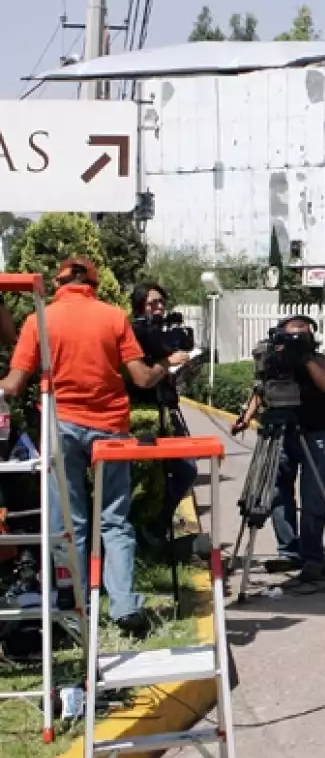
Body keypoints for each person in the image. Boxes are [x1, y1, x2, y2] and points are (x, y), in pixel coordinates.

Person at [0, 258, 172, 637]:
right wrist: (166, 363)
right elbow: (142, 378)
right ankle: (125, 606)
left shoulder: (39, 320)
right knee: (114, 518)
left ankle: (72, 603)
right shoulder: (112, 317)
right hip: (110, 427)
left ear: (59, 282)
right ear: (93, 283)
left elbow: (12, 385)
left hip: (59, 426)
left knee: (67, 523)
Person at [232, 316, 325, 582]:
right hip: (279, 428)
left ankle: (313, 556)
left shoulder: (318, 358)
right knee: (276, 490)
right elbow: (261, 388)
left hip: (314, 430)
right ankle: (289, 551)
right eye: (295, 326)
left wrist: (303, 357)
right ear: (280, 332)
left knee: (314, 493)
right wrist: (247, 416)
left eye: (306, 327)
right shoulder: (273, 356)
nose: (302, 330)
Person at [128, 282, 197, 550]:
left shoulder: (160, 332)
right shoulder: (134, 333)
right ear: (139, 306)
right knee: (148, 479)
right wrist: (167, 362)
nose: (158, 307)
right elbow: (143, 378)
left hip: (166, 409)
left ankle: (158, 525)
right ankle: (144, 531)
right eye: (151, 303)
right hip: (141, 413)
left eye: (161, 302)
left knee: (186, 469)